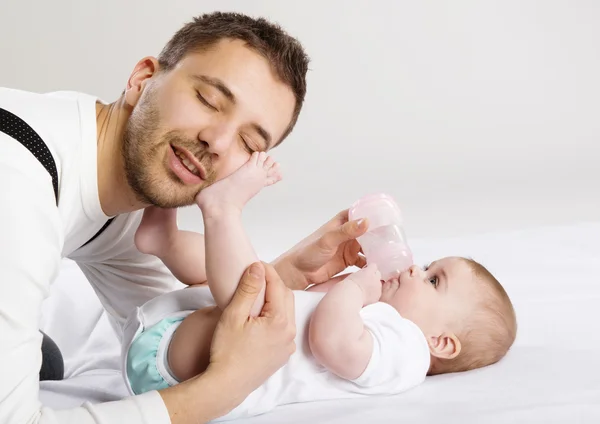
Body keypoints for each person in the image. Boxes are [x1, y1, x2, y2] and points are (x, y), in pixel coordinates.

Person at [0, 11, 369, 424]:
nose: (218, 141)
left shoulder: (118, 195)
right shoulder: (16, 181)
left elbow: (164, 337)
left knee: (43, 361)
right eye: (208, 100)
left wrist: (286, 275)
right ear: (141, 81)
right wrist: (224, 389)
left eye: (249, 143)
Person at [122, 150, 518, 421]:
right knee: (252, 276)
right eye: (428, 266)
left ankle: (223, 208)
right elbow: (305, 305)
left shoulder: (407, 356)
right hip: (185, 345)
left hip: (193, 374)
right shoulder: (382, 323)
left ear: (442, 342)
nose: (417, 269)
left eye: (434, 280)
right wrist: (336, 282)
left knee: (255, 294)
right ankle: (165, 242)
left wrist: (358, 290)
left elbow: (332, 343)